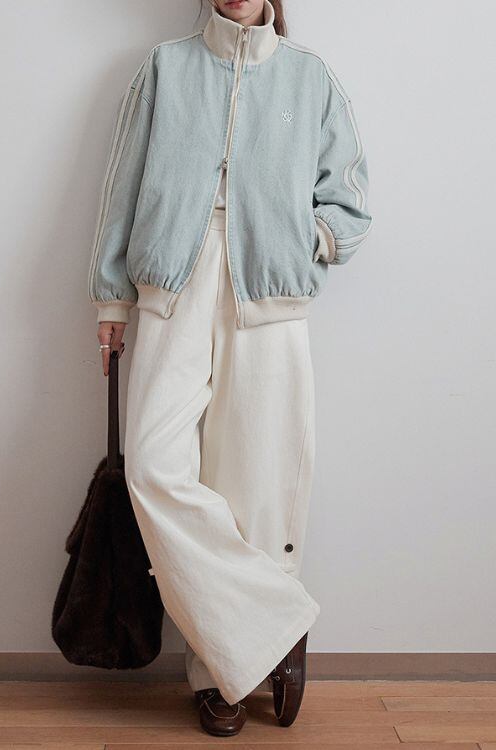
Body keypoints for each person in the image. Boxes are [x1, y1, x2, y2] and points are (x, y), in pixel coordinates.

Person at [87, 0, 372, 737]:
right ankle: (276, 625)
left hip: (269, 297)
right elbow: (122, 187)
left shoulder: (310, 77)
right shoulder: (165, 67)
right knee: (155, 469)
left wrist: (301, 240)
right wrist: (112, 300)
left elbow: (350, 202)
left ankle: (219, 676)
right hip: (172, 287)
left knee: (254, 485)